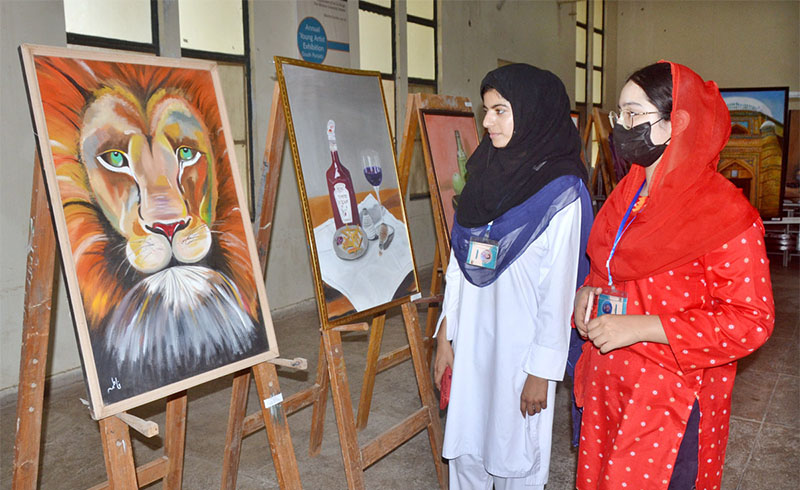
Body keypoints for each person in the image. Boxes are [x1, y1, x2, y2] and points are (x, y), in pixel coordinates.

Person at [572, 61, 775, 490]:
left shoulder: (724, 213)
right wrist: (585, 295)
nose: (621, 127)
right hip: (610, 385)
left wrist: (644, 326)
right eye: (619, 115)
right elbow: (602, 268)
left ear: (675, 122)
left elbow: (751, 321)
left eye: (634, 115)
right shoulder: (627, 194)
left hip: (672, 400)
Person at [433, 63, 592, 490]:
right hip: (470, 346)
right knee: (466, 451)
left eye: (500, 110)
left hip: (520, 354)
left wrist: (542, 370)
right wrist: (446, 336)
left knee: (515, 459)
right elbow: (459, 264)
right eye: (486, 110)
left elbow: (560, 288)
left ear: (532, 112)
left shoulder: (562, 191)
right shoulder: (484, 172)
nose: (486, 122)